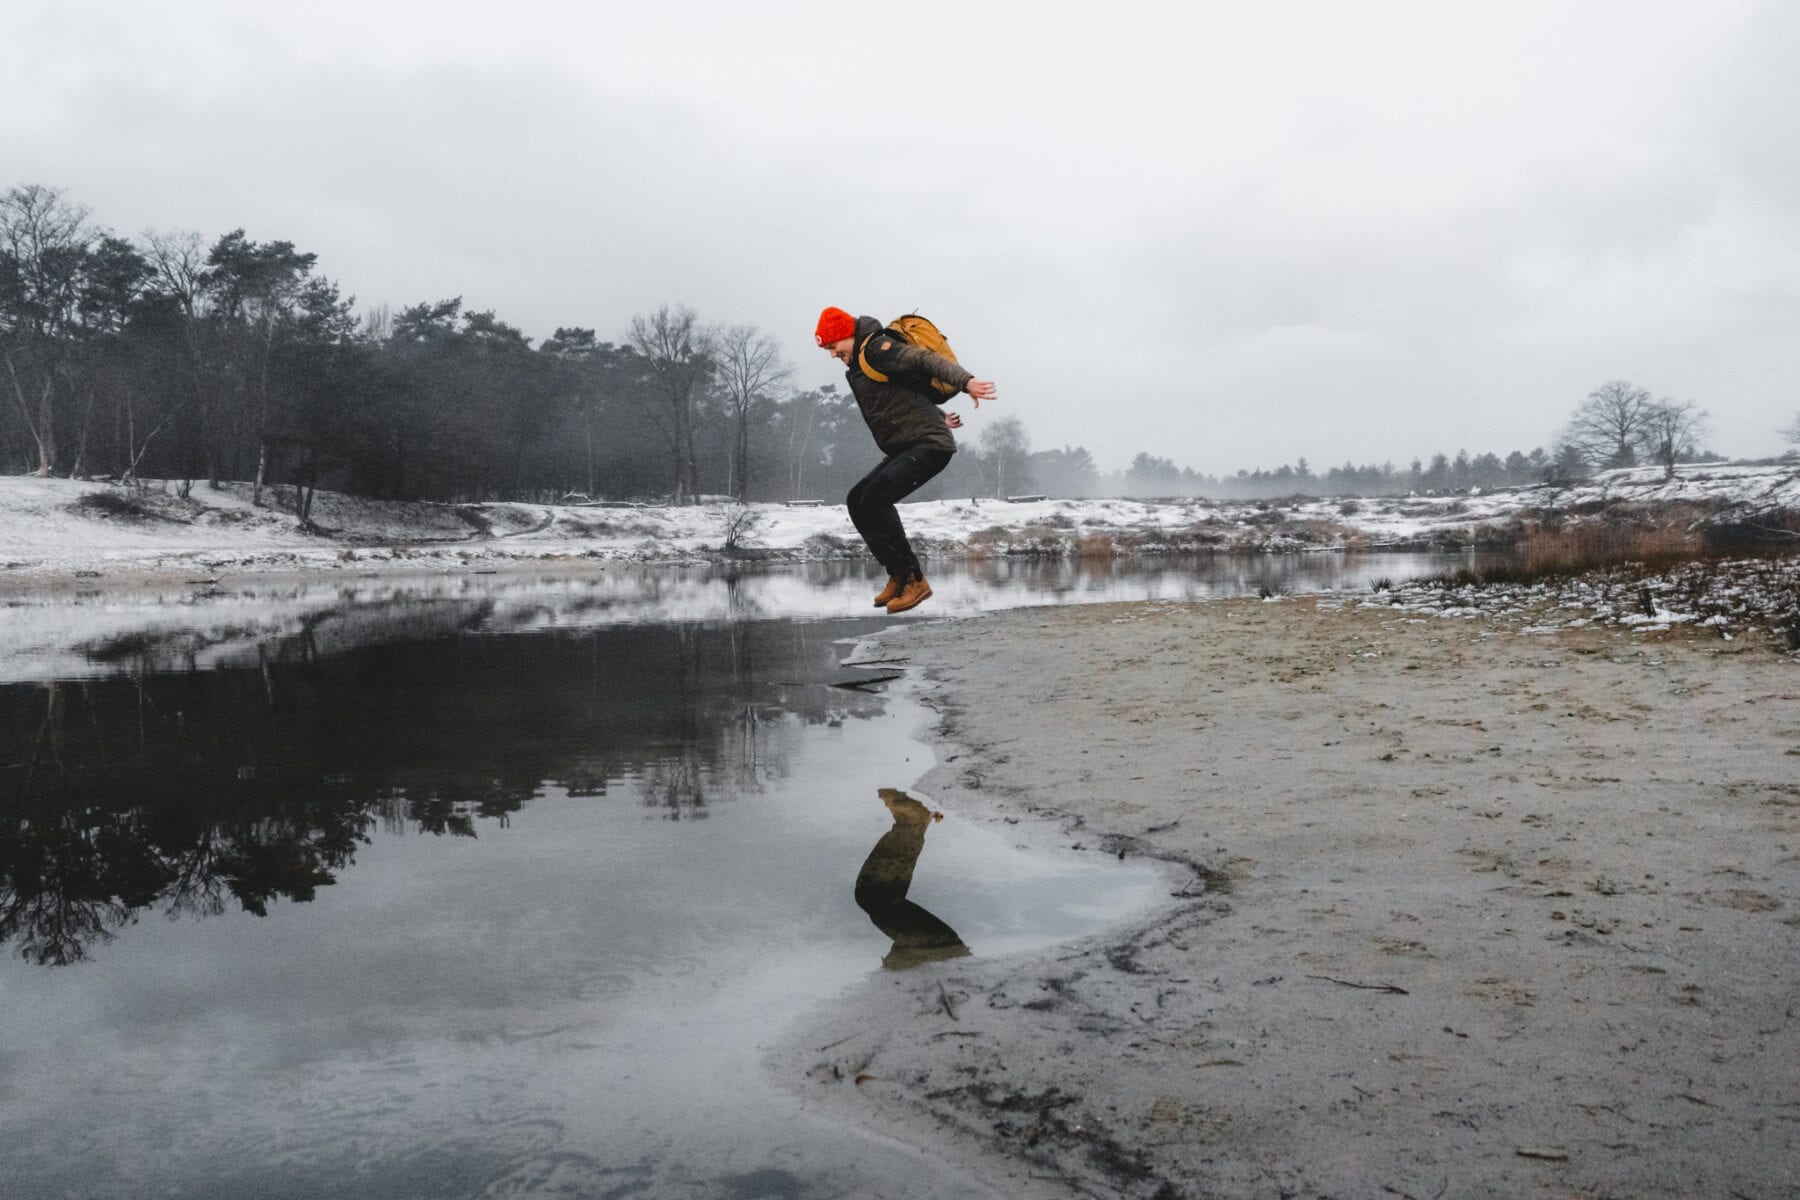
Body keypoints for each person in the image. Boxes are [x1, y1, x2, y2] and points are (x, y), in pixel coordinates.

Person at [815, 306, 998, 614]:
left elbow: (922, 360)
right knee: (857, 499)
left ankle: (913, 579)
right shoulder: (861, 362)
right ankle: (898, 576)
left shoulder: (876, 349)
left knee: (875, 499)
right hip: (911, 444)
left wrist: (965, 382)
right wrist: (938, 415)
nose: (832, 354)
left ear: (846, 335)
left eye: (833, 347)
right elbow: (901, 393)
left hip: (929, 446)